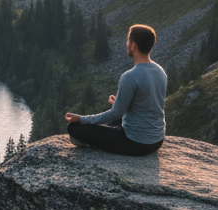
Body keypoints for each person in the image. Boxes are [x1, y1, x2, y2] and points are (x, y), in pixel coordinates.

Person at [64, 23, 166, 155]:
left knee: (74, 127)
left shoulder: (130, 76)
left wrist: (81, 119)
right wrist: (120, 102)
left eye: (128, 41)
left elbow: (115, 114)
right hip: (157, 140)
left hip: (135, 142)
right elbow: (149, 103)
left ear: (133, 46)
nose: (127, 44)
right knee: (114, 121)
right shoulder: (160, 71)